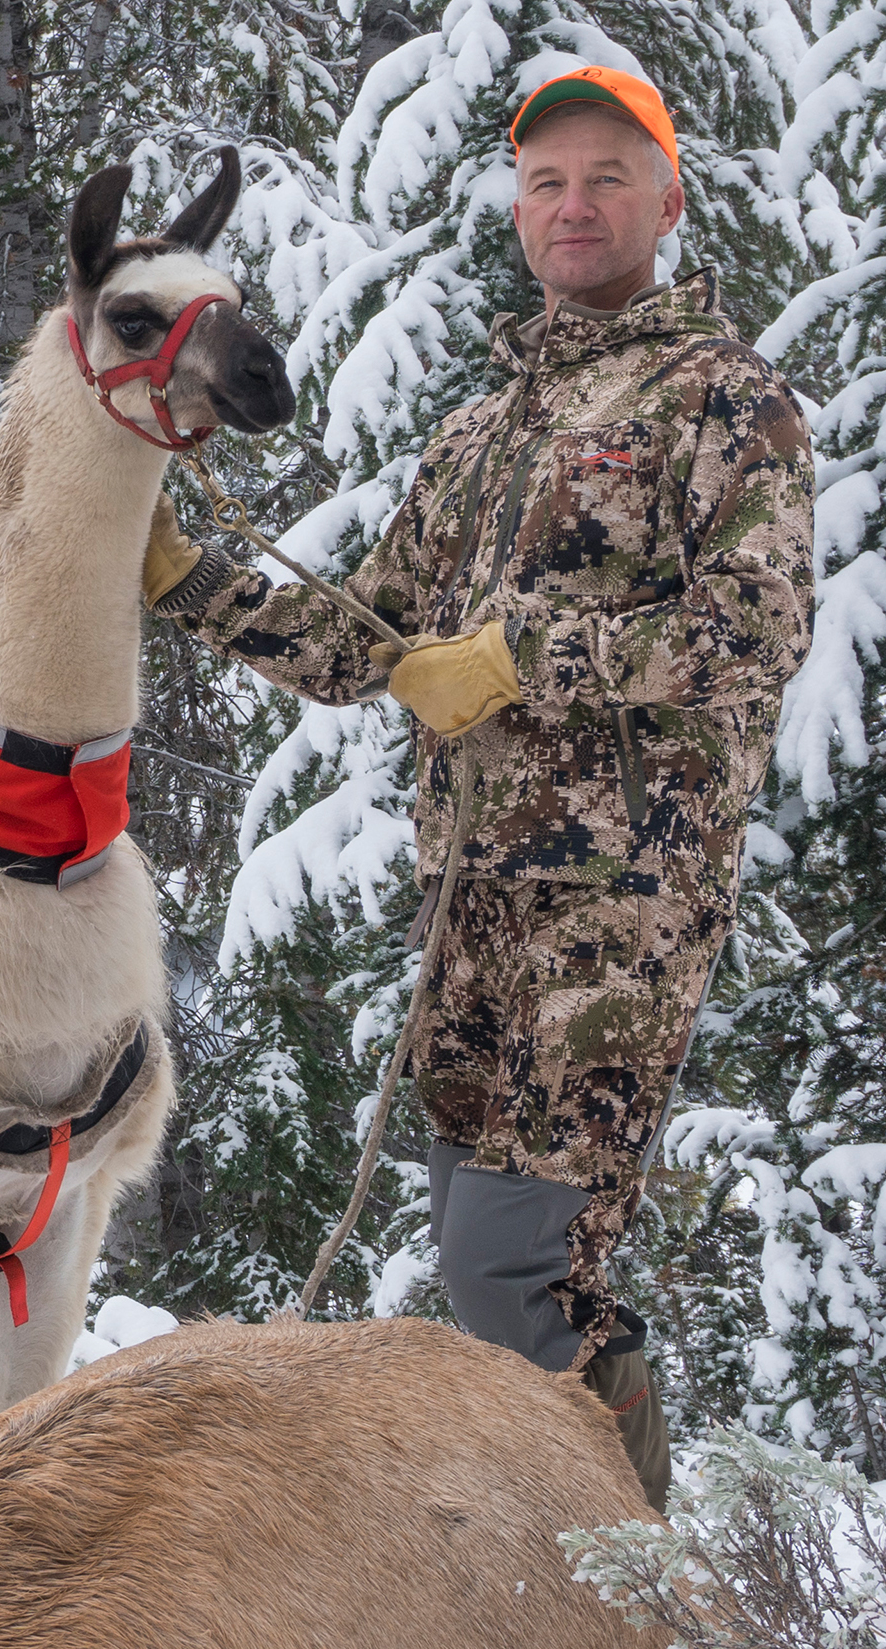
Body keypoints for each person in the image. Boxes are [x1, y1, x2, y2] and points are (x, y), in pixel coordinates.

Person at [143, 64, 814, 1502]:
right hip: (474, 905)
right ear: (517, 205)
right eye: (547, 181)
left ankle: (645, 1616)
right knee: (487, 1268)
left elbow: (757, 631)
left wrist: (523, 657)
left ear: (667, 198)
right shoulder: (481, 429)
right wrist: (187, 582)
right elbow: (364, 636)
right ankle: (579, 1598)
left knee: (516, 1266)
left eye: (607, 178)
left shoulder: (722, 396)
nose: (574, 206)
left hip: (619, 908)